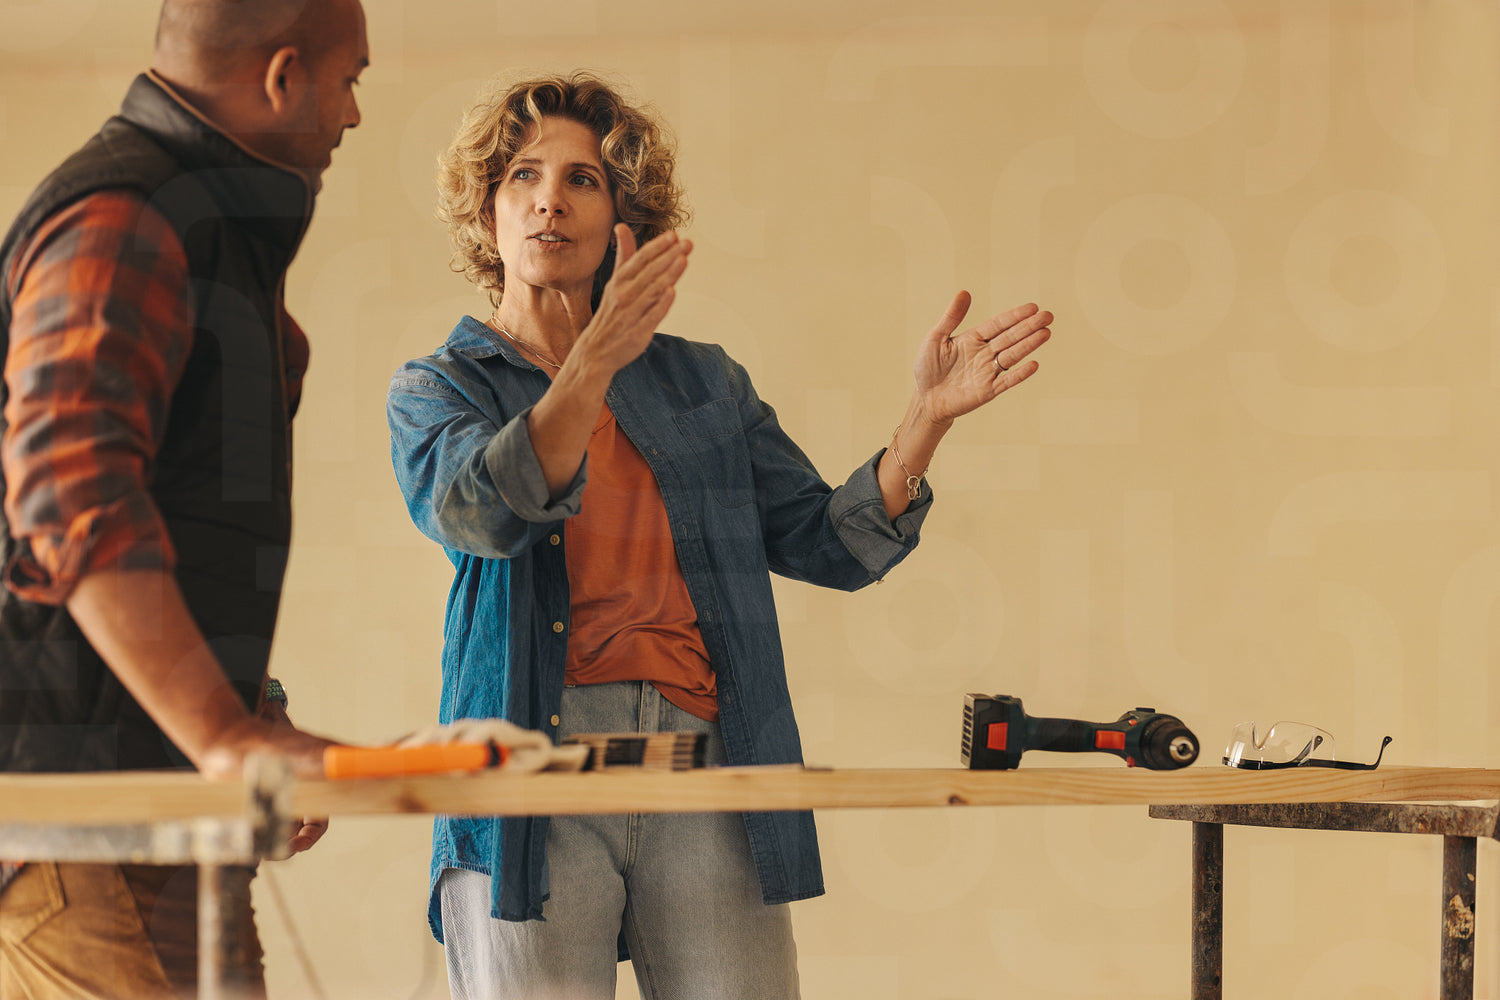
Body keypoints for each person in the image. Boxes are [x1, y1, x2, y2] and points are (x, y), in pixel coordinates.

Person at [386, 72, 1053, 1000]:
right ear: (486, 213)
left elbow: (827, 545)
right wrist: (591, 363)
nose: (549, 199)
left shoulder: (703, 382)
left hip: (705, 763)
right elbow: (483, 512)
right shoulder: (439, 387)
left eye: (582, 179)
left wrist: (925, 422)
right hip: (528, 777)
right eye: (522, 176)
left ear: (623, 216)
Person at [0, 0, 368, 996]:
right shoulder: (127, 218)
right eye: (350, 81)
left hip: (163, 815)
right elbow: (72, 489)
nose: (353, 114)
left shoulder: (209, 236)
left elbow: (189, 534)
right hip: (80, 824)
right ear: (283, 77)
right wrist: (223, 733)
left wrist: (253, 713)